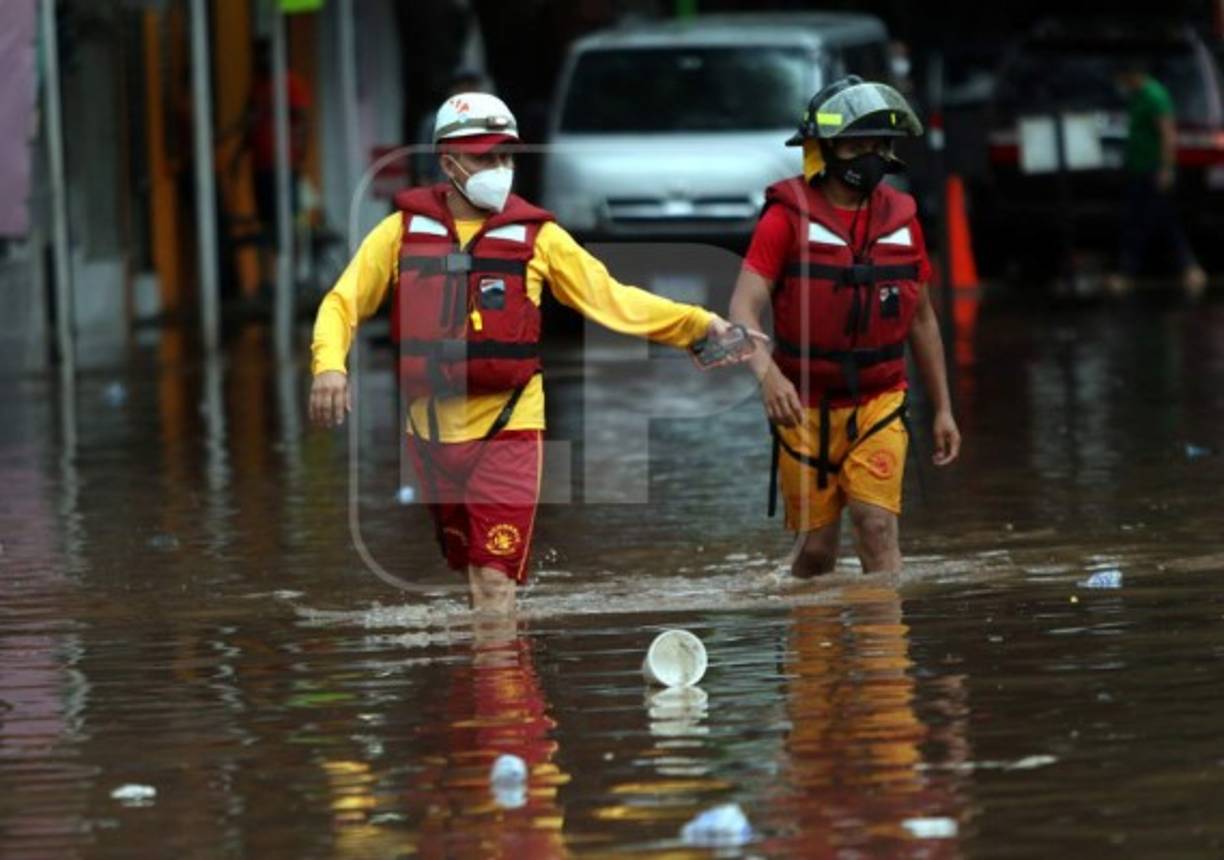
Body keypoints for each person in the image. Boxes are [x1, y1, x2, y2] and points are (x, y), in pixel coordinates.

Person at [309, 93, 753, 612]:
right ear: (448, 162)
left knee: (494, 581)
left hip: (511, 424)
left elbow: (612, 300)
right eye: (484, 158)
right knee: (473, 578)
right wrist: (329, 368)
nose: (500, 168)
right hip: (429, 432)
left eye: (507, 157)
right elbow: (342, 303)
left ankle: (506, 690)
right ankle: (487, 682)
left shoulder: (539, 239)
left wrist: (698, 325)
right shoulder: (400, 234)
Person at [729, 76, 960, 579]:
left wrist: (942, 409)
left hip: (880, 400)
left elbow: (921, 319)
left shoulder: (904, 221)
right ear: (826, 149)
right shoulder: (784, 220)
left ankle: (885, 657)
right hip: (804, 407)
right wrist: (769, 378)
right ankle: (812, 654)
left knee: (876, 528)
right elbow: (742, 311)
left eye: (878, 145)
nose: (868, 156)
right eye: (856, 144)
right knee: (816, 553)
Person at [1110, 60, 1207, 299]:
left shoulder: (1155, 95)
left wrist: (1166, 168)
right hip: (1139, 168)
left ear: (1131, 75)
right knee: (1157, 220)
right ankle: (1188, 269)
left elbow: (1167, 133)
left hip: (1153, 169)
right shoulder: (1138, 96)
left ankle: (1129, 273)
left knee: (1144, 222)